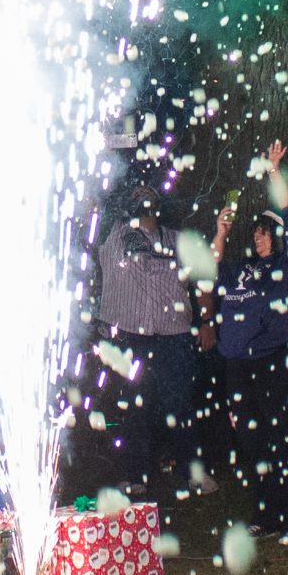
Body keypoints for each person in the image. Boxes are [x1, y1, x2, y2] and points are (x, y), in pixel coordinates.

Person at [208, 143, 288, 539]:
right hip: (239, 367)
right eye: (254, 231)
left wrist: (275, 173)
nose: (258, 237)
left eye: (265, 231)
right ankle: (267, 513)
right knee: (252, 442)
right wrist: (221, 231)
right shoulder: (243, 269)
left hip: (276, 363)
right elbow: (213, 266)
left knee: (284, 439)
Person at [95, 195, 199, 492]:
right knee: (135, 405)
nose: (143, 197)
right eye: (137, 193)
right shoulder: (115, 234)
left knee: (179, 403)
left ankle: (190, 471)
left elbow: (200, 279)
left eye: (150, 194)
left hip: (173, 333)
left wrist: (206, 321)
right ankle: (135, 475)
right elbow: (95, 214)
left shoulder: (177, 241)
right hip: (133, 333)